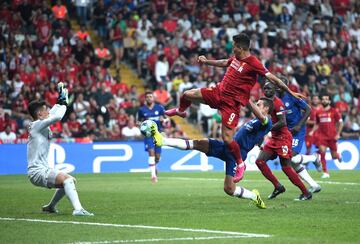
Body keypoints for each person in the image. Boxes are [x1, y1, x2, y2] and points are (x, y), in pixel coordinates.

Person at [164, 33, 305, 183]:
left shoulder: (254, 63)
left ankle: (240, 163)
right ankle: (180, 110)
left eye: (234, 47)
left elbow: (274, 78)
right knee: (186, 94)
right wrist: (207, 62)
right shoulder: (236, 58)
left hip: (231, 104)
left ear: (242, 48)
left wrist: (291, 92)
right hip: (218, 92)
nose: (232, 49)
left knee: (226, 138)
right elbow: (226, 62)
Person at [152, 98, 274, 209]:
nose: (256, 106)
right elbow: (255, 134)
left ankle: (253, 196)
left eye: (259, 105)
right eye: (256, 104)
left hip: (236, 156)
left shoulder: (266, 121)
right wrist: (259, 142)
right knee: (198, 143)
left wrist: (246, 98)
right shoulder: (254, 121)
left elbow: (263, 122)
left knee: (229, 189)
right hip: (227, 146)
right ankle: (163, 140)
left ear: (266, 108)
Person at [27, 83, 93, 216]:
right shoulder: (36, 125)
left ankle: (50, 207)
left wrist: (59, 100)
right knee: (67, 181)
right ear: (39, 113)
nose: (48, 111)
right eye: (45, 110)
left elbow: (53, 113)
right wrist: (64, 104)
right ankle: (78, 210)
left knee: (70, 180)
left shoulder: (40, 123)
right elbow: (57, 117)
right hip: (37, 171)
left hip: (43, 168)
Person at [257, 82, 312, 201]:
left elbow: (282, 122)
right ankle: (278, 186)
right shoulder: (264, 103)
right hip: (274, 138)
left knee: (286, 167)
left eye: (269, 88)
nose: (266, 90)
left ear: (274, 90)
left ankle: (306, 192)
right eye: (265, 88)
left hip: (283, 138)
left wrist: (267, 129)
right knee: (260, 161)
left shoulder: (278, 103)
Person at [277, 78, 322, 193]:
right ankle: (314, 185)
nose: (277, 85)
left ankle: (313, 158)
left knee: (290, 156)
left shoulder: (292, 96)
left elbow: (308, 109)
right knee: (291, 161)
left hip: (297, 130)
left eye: (279, 83)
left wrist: (299, 125)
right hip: (286, 132)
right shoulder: (276, 99)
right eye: (275, 83)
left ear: (285, 85)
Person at [309, 94, 344, 178]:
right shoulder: (318, 112)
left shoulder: (334, 111)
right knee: (322, 152)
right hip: (322, 136)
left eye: (326, 99)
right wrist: (312, 131)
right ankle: (325, 172)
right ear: (321, 101)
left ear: (329, 101)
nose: (324, 100)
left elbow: (340, 122)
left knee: (334, 156)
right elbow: (317, 123)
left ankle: (338, 156)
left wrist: (338, 134)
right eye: (323, 99)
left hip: (332, 136)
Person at [137, 91, 166, 183]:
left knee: (157, 157)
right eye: (147, 97)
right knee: (151, 152)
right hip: (148, 135)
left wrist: (163, 121)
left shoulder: (159, 108)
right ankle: (153, 176)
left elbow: (166, 119)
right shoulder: (142, 110)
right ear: (145, 99)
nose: (149, 98)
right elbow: (138, 121)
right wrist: (142, 126)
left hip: (158, 134)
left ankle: (154, 166)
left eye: (151, 96)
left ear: (153, 98)